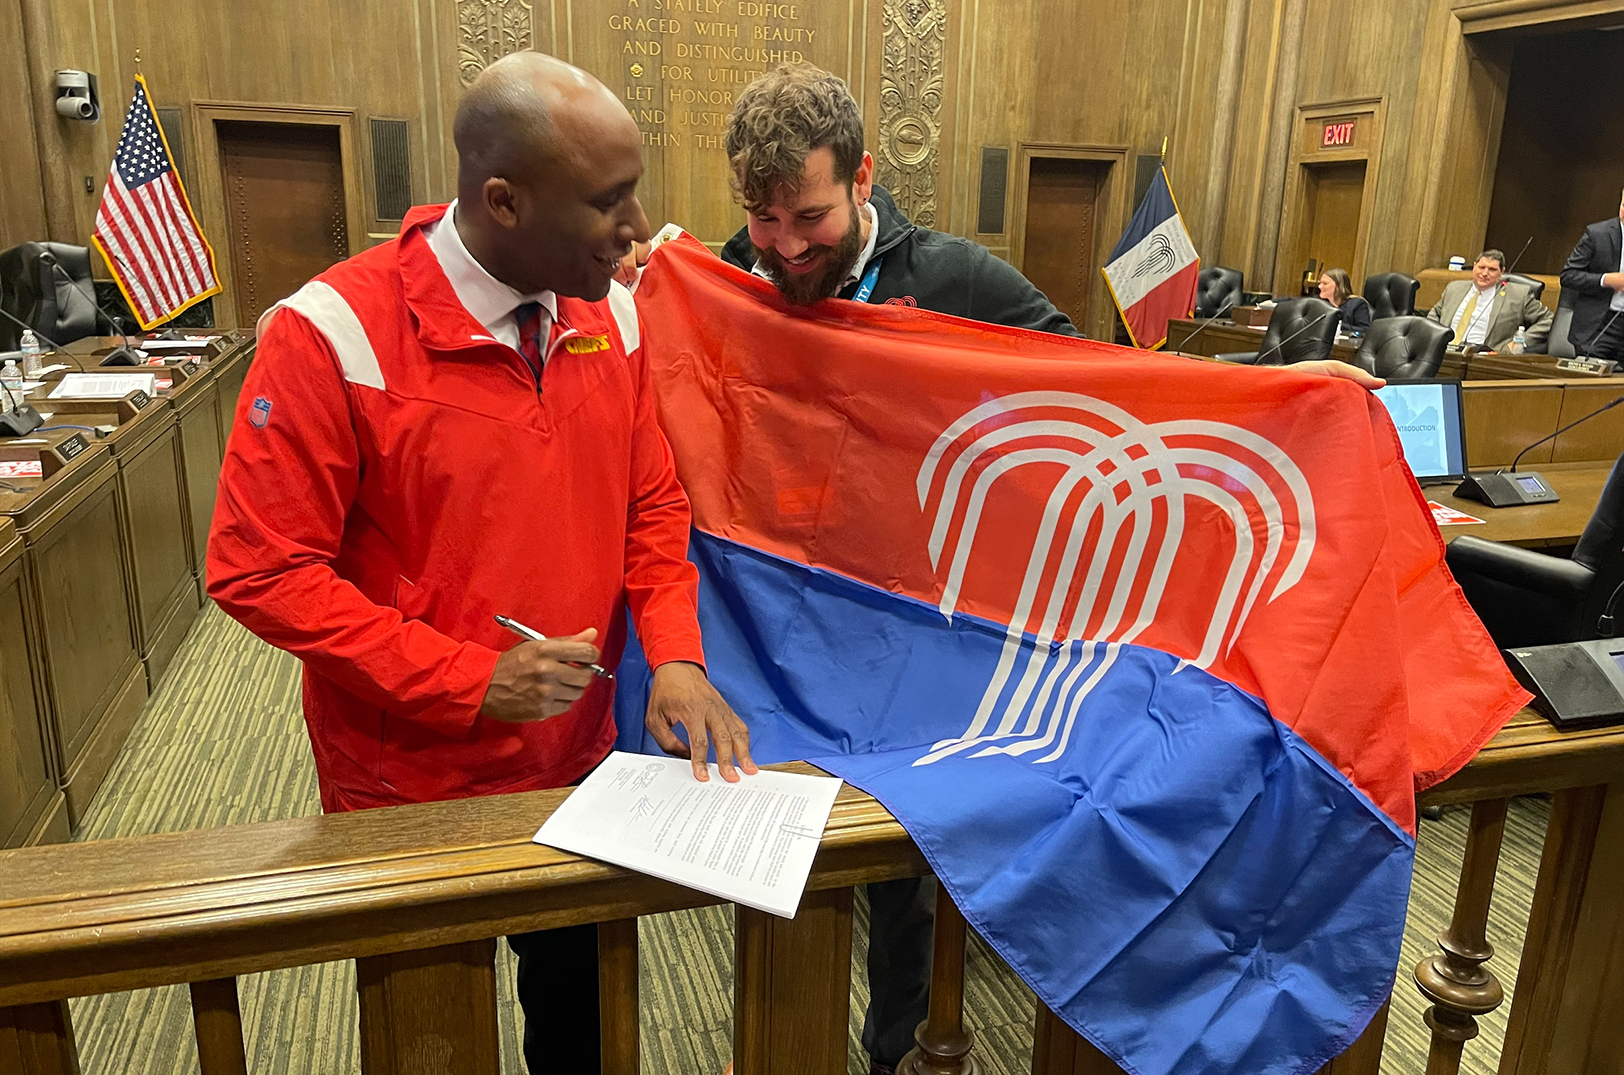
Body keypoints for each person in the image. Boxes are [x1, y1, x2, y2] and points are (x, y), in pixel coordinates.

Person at [618, 62, 1381, 1075]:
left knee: (904, 862)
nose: (786, 245)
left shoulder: (955, 277)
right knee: (779, 850)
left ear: (861, 177)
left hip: (924, 632)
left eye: (806, 214)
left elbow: (1100, 386)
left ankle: (897, 1051)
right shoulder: (728, 278)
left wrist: (1279, 391)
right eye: (762, 219)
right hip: (789, 625)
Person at [206, 52, 755, 1075]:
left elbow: (651, 505)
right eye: (608, 202)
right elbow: (258, 569)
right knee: (431, 1043)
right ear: (504, 201)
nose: (641, 227)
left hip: (582, 764)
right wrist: (469, 678)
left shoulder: (614, 313)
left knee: (581, 1033)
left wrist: (675, 653)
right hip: (408, 787)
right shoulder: (329, 334)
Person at [1427, 249, 1552, 353]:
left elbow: (1549, 320)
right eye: (1481, 267)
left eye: (1492, 270)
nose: (1485, 273)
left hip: (1483, 356)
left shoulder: (1518, 295)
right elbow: (1435, 314)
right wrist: (1434, 338)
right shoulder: (1454, 288)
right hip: (1444, 351)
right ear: (1474, 266)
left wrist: (1521, 341)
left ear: (1501, 272)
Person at [1559, 188, 1624, 362]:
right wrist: (1605, 280)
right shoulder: (1597, 234)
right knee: (1589, 386)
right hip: (1599, 326)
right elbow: (1568, 275)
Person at [1316, 267, 1371, 335]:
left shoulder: (1357, 304)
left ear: (1338, 286)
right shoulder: (1319, 304)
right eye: (1320, 283)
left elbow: (1364, 329)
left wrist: (1335, 325)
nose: (1319, 286)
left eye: (1325, 283)